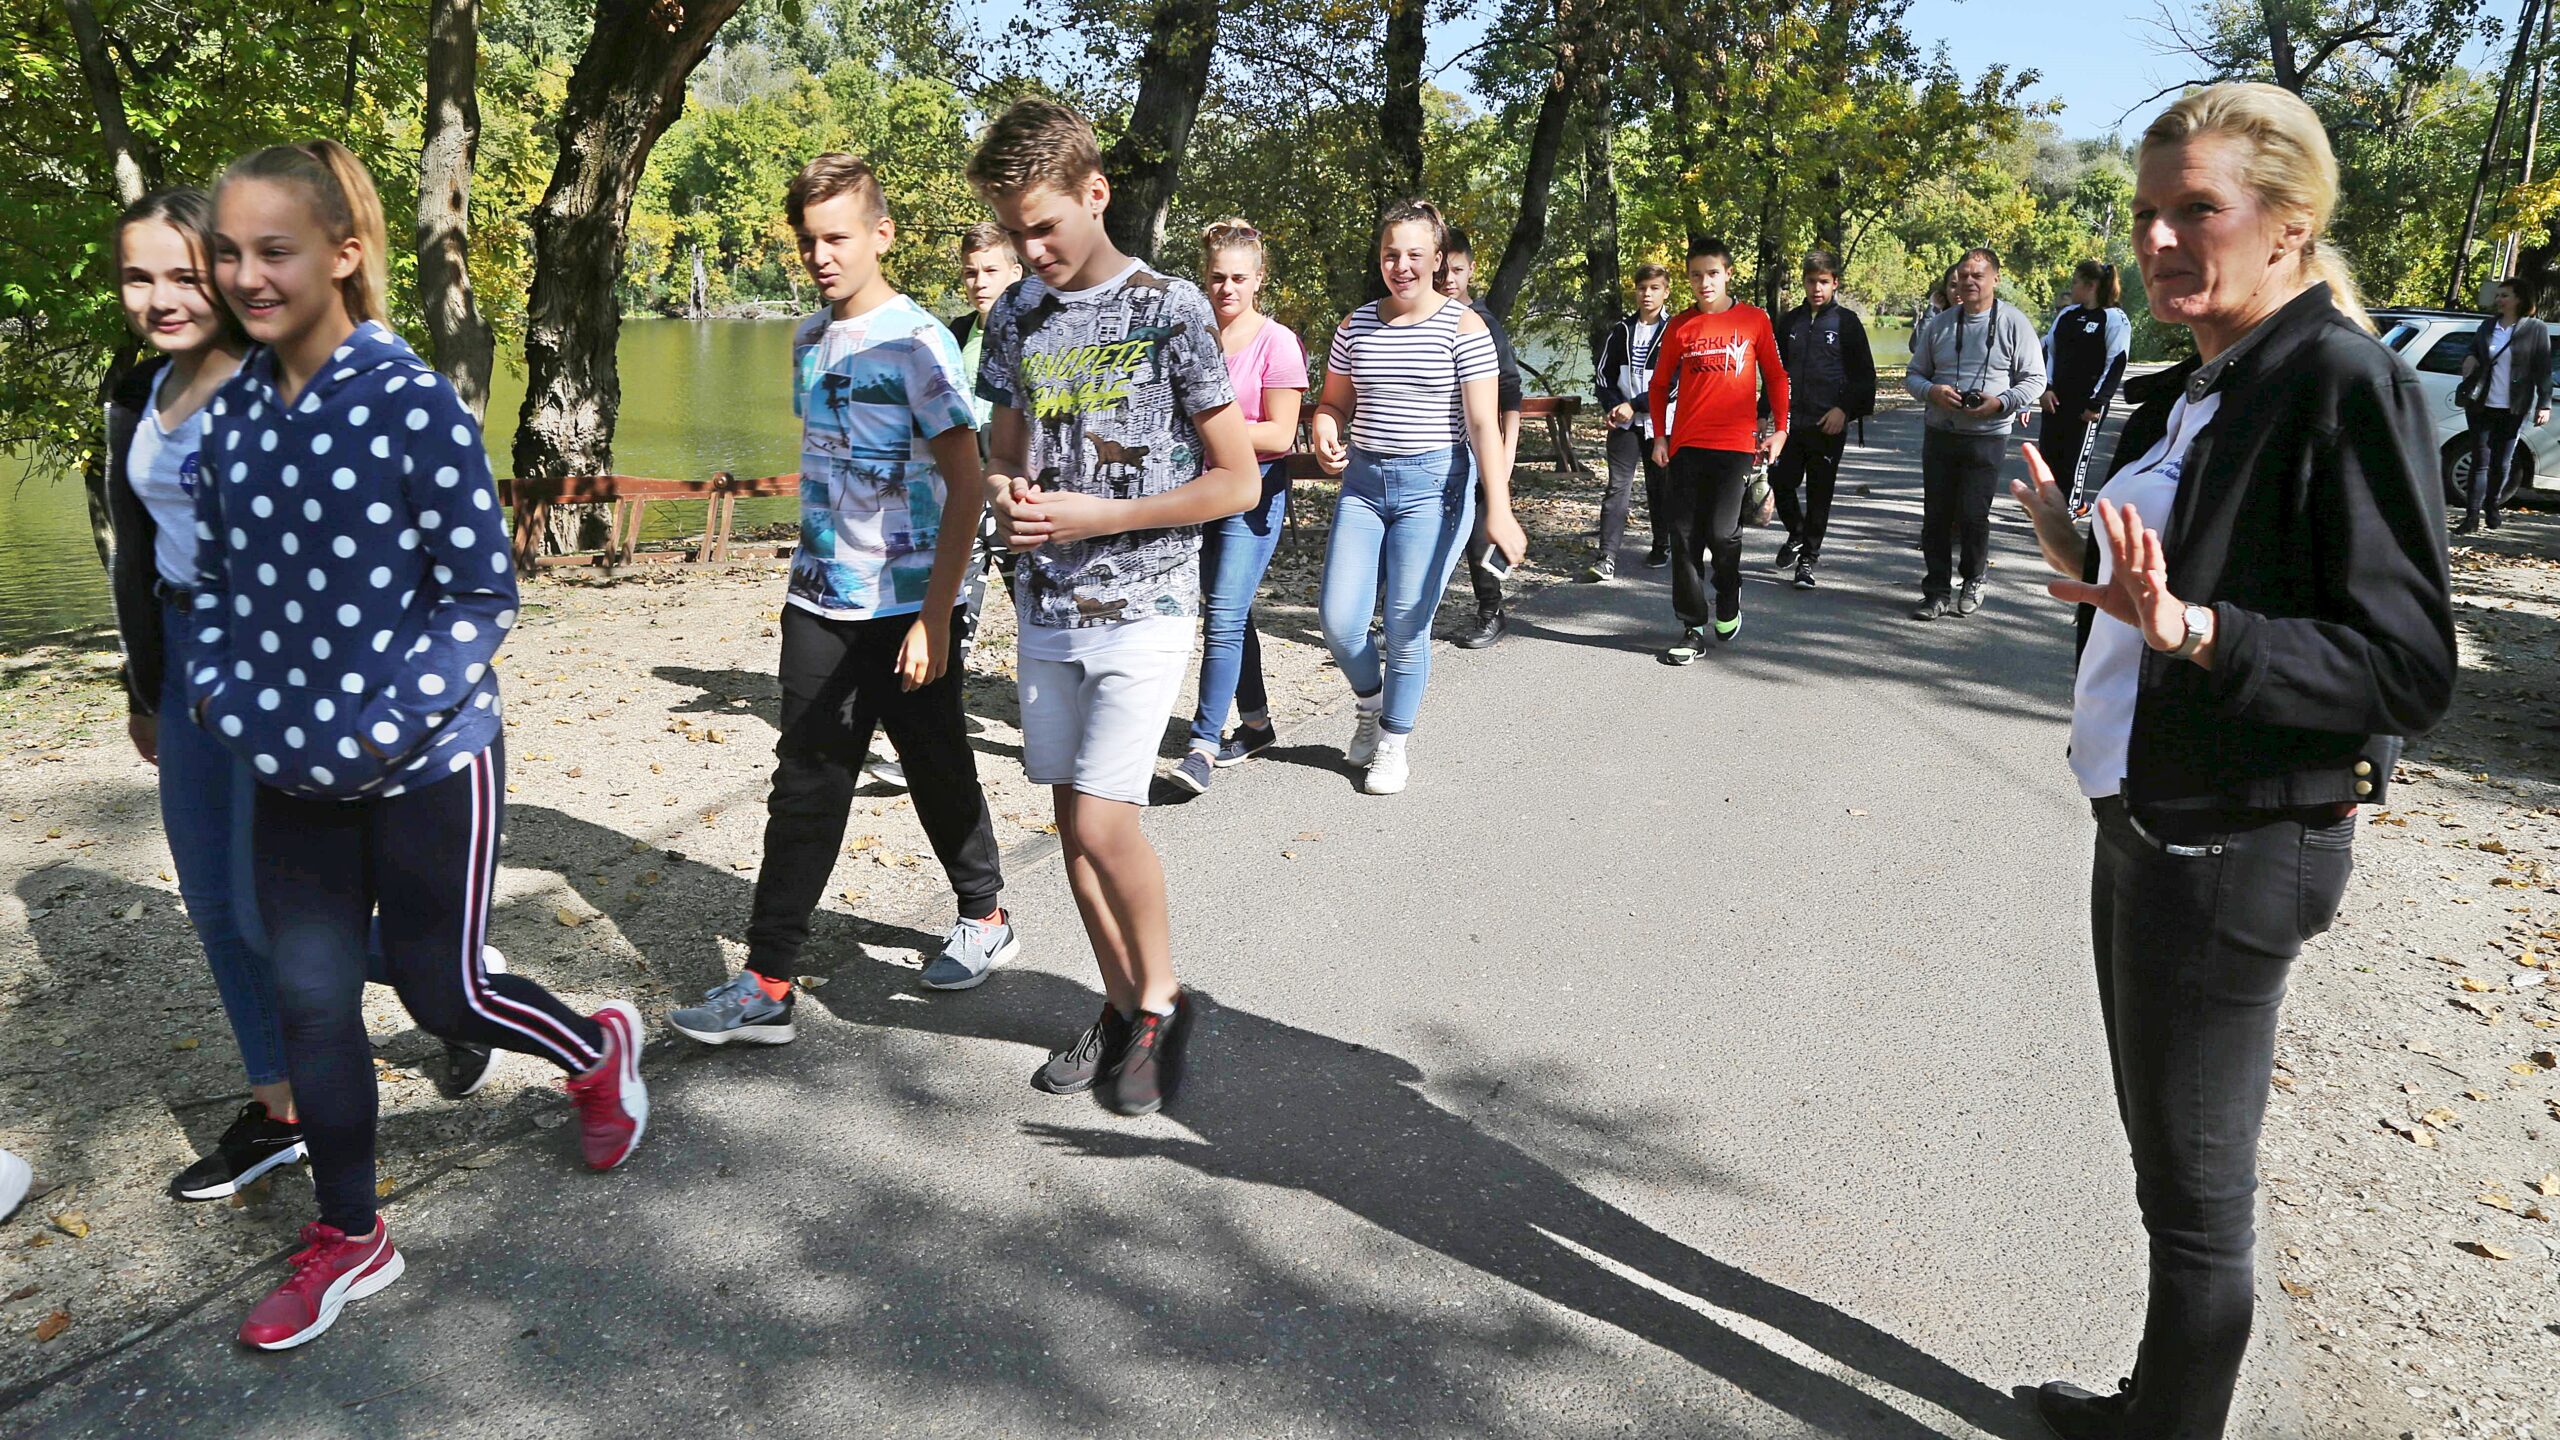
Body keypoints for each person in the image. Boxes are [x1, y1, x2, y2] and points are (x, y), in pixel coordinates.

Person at [2009, 83, 2454, 1440]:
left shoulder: (2338, 380)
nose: (2156, 239)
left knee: (2200, 1205)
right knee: (2169, 1178)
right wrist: (2084, 559)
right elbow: (2177, 577)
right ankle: (2154, 1405)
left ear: (2289, 226)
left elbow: (2404, 670)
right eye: (2146, 213)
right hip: (2151, 812)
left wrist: (2198, 630)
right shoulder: (2202, 379)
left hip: (2236, 843)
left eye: (2193, 209)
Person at [192, 141, 646, 1350]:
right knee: (312, 1001)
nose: (245, 275)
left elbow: (480, 598)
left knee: (446, 991)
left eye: (273, 250)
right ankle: (352, 1236)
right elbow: (223, 584)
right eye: (227, 252)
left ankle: (598, 1050)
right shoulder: (229, 415)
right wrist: (219, 697)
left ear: (344, 255)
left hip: (429, 764)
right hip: (291, 775)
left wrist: (378, 723)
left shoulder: (411, 403)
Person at [671, 156, 1013, 1046]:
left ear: (880, 236)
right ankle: (768, 982)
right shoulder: (807, 340)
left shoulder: (920, 344)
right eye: (809, 240)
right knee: (805, 785)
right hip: (819, 596)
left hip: (909, 607)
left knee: (935, 760)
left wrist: (938, 615)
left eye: (838, 237)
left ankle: (985, 914)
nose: (821, 255)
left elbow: (968, 489)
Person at [968, 99, 1259, 1115]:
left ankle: (1161, 1003)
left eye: (1044, 224)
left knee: (1101, 820)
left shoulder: (1169, 308)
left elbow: (1236, 483)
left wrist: (1102, 514)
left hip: (1146, 604)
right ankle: (1118, 999)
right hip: (1046, 607)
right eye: (1013, 231)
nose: (1030, 247)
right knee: (1069, 824)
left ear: (1096, 194)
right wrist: (1009, 494)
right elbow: (1002, 452)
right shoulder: (1015, 316)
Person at [1312, 199, 1526, 793]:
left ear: (1437, 259)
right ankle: (1369, 704)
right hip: (1363, 487)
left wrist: (1500, 510)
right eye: (1389, 254)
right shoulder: (1356, 325)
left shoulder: (1465, 327)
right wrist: (1326, 428)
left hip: (1434, 490)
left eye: (1413, 254)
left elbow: (1484, 426)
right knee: (1339, 620)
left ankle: (1393, 741)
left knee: (1407, 623)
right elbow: (1333, 404)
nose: (1400, 265)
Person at [1167, 217, 1307, 796]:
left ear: (1259, 280)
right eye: (1218, 277)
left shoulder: (1278, 343)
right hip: (1199, 495)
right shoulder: (1190, 337)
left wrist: (1207, 427)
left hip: (1254, 496)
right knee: (1232, 610)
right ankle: (1255, 723)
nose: (1227, 288)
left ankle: (1201, 743)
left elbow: (1279, 435)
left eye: (1239, 279)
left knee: (1222, 614)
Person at [1647, 238, 1788, 663]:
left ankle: (1729, 592)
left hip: (1735, 446)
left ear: (1728, 273)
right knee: (1685, 536)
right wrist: (1659, 436)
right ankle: (1691, 627)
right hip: (1687, 444)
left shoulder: (1754, 320)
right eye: (1695, 275)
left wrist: (1780, 430)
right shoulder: (1680, 327)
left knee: (1723, 534)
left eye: (1712, 273)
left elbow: (1778, 379)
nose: (1704, 282)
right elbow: (1658, 385)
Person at [1906, 247, 2046, 619]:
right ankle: (1935, 591)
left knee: (1972, 513)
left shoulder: (2014, 324)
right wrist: (1932, 392)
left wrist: (2001, 402)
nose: (1969, 281)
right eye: (1964, 275)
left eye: (1977, 275)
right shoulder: (1939, 324)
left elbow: (2036, 379)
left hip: (1988, 434)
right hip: (1941, 431)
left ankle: (1973, 577)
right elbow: (1914, 375)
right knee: (1935, 516)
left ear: (1995, 279)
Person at [1769, 248, 1877, 588]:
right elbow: (1775, 373)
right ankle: (1797, 532)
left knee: (1819, 493)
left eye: (1824, 282)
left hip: (1828, 424)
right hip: (1792, 423)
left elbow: (1865, 377)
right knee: (1780, 481)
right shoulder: (1791, 322)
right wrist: (1763, 414)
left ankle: (1808, 561)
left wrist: (1844, 410)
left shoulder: (1846, 323)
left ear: (1835, 283)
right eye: (1811, 281)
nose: (1817, 288)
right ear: (1803, 282)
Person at [1440, 228, 1526, 649]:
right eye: (1442, 269)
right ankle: (1400, 622)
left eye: (1458, 270)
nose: (1449, 278)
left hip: (1480, 452)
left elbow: (1511, 395)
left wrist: (1505, 458)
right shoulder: (1424, 320)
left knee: (1480, 540)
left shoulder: (1484, 324)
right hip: (1436, 450)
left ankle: (1492, 612)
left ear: (1472, 270)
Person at [949, 219, 1024, 692]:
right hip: (962, 487)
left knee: (1034, 602)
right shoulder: (956, 333)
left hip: (1014, 486)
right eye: (971, 272)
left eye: (990, 271)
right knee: (955, 604)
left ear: (1015, 273)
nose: (980, 282)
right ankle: (937, 724)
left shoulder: (1035, 333)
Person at [1589, 262, 1675, 578]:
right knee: (1617, 488)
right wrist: (1615, 406)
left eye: (1654, 288)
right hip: (1624, 425)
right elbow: (1603, 376)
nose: (1647, 294)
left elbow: (1676, 383)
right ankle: (1606, 557)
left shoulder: (1675, 331)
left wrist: (1636, 405)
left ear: (1666, 292)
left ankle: (1662, 543)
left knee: (1660, 486)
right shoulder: (1622, 330)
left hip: (1660, 424)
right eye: (1642, 288)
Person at [2454, 275, 2551, 534]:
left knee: (2502, 462)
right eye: (2497, 295)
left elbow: (2543, 370)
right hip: (2481, 404)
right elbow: (2473, 350)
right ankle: (2471, 517)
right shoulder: (2487, 327)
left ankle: (2492, 504)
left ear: (2519, 299)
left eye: (2504, 295)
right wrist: (2469, 359)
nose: (2498, 300)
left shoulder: (2536, 329)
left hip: (2514, 406)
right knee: (2480, 461)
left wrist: (2544, 404)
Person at [2040, 259, 2133, 514]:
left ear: (2090, 285)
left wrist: (2096, 403)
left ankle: (2071, 508)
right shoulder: (2067, 315)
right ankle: (2049, 505)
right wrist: (2045, 387)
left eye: (2075, 282)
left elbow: (2116, 362)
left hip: (2087, 405)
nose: (2071, 288)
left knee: (2074, 459)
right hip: (2056, 398)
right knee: (2049, 457)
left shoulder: (2114, 318)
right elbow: (2049, 350)